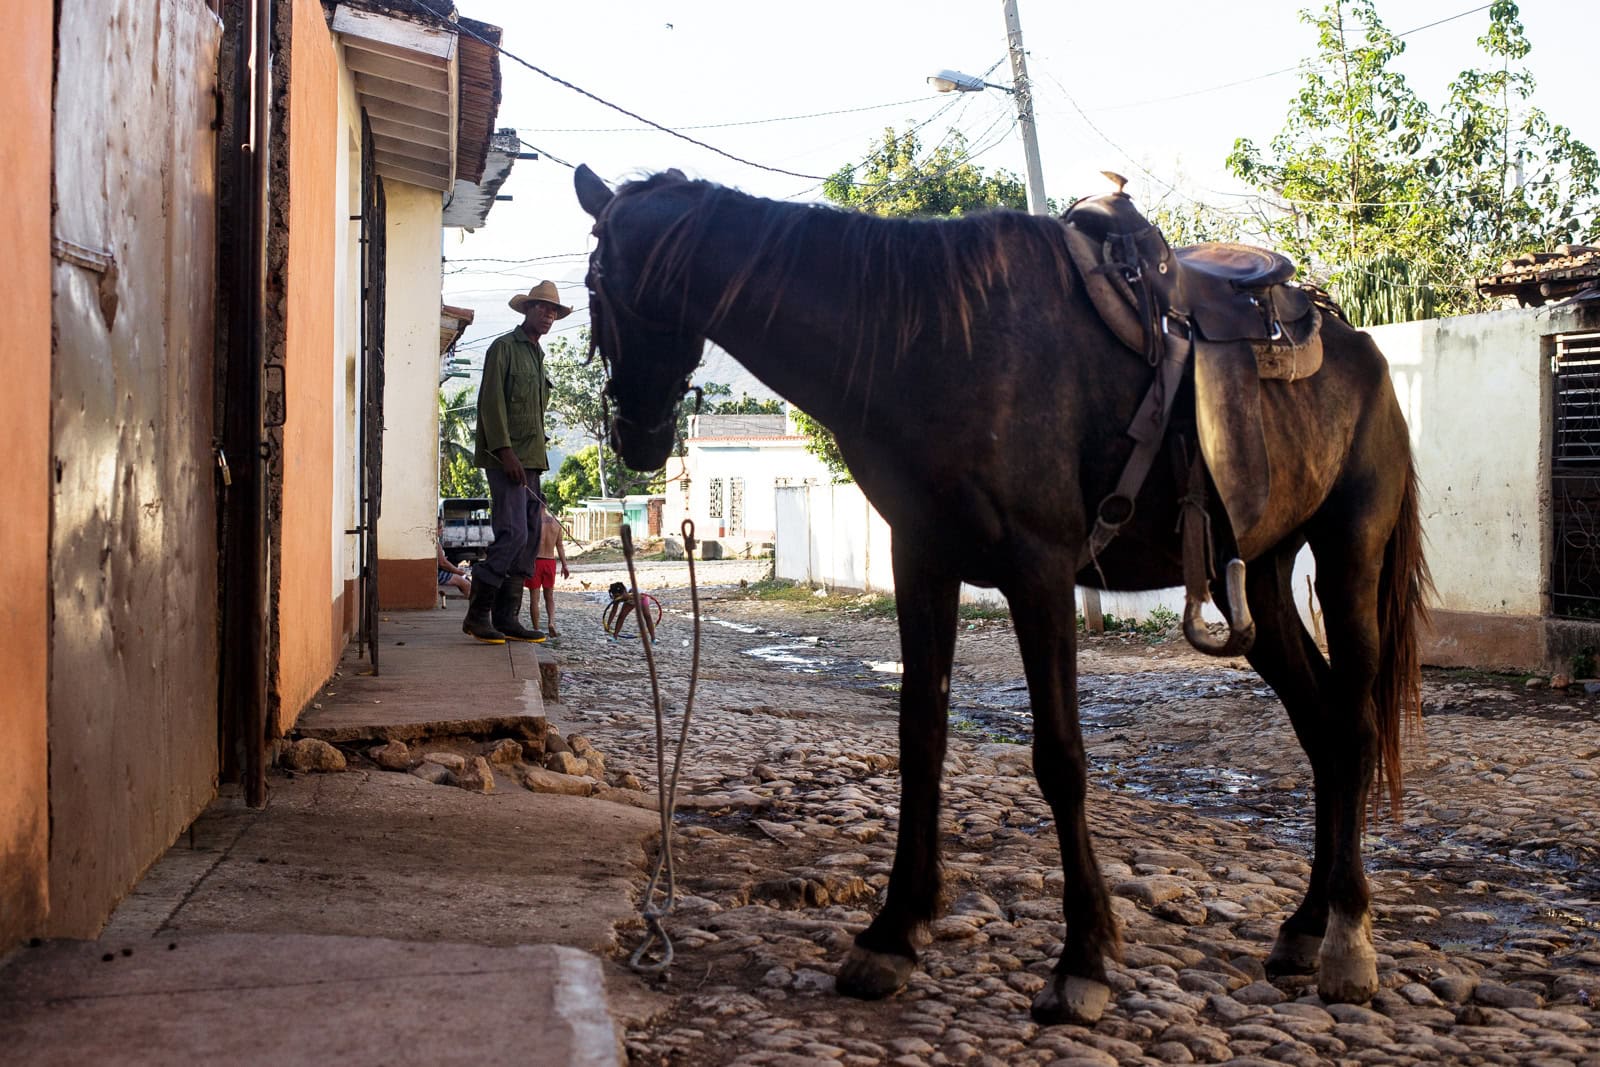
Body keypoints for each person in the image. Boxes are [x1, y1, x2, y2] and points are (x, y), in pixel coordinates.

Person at [462, 280, 571, 644]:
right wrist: (506, 451)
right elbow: (491, 403)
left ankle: (507, 617)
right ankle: (477, 616)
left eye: (554, 311)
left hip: (533, 460)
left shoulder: (537, 356)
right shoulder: (503, 348)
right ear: (527, 309)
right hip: (506, 459)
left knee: (530, 539)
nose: (548, 315)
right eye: (542, 308)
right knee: (513, 533)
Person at [525, 510, 571, 636]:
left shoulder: (532, 522)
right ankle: (551, 622)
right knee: (549, 597)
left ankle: (536, 629)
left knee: (534, 599)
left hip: (535, 561)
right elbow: (560, 546)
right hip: (550, 562)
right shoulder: (556, 522)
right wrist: (565, 565)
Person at [436, 522, 471, 600]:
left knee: (466, 579)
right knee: (466, 584)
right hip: (436, 573)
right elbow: (443, 563)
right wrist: (458, 572)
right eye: (440, 527)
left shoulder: (437, 542)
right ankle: (469, 603)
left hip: (438, 571)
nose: (442, 530)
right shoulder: (435, 543)